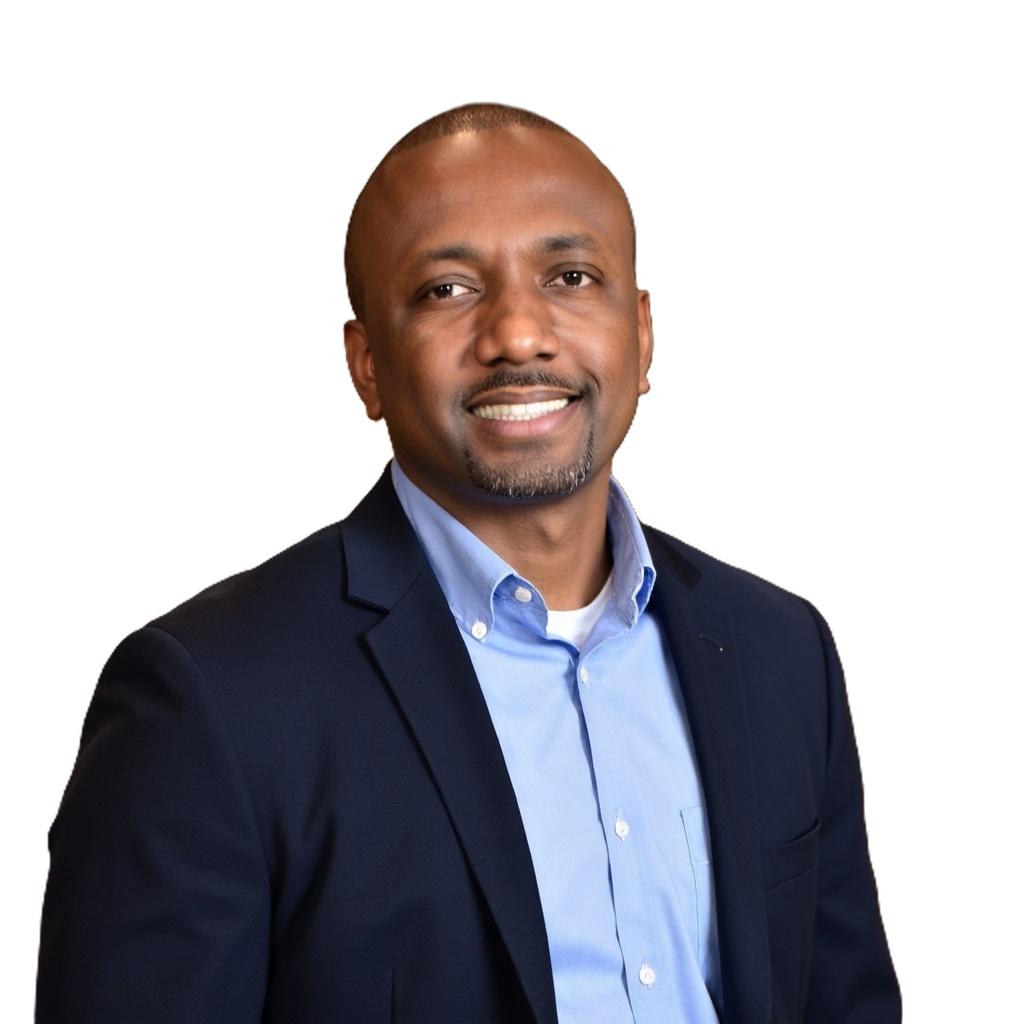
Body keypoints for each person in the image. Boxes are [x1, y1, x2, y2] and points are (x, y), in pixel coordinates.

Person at [35, 102, 900, 1023]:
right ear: (366, 365)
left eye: (571, 275)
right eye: (448, 289)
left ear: (642, 335)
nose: (518, 334)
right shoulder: (211, 699)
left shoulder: (779, 652)